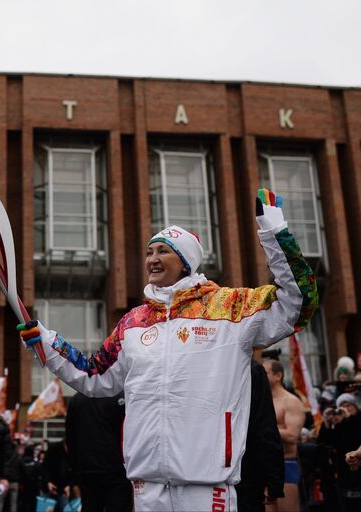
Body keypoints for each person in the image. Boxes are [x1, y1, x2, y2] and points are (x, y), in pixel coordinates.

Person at [19, 188, 318, 511]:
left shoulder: (230, 308)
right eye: (150, 251)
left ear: (186, 261)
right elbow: (94, 375)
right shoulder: (135, 321)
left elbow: (298, 301)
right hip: (146, 484)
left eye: (163, 251)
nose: (152, 259)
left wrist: (274, 232)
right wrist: (47, 343)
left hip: (208, 484)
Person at [66, 392, 132, 512]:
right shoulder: (121, 395)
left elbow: (71, 439)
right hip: (117, 470)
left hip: (88, 472)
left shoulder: (76, 400)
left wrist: (74, 474)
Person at [235, 359, 284, 512]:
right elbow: (264, 427)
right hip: (244, 474)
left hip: (204, 472)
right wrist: (273, 480)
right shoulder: (251, 369)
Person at [262, 358, 304, 511]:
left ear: (278, 376)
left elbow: (292, 435)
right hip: (264, 465)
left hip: (285, 463)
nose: (260, 376)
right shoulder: (262, 401)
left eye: (264, 373)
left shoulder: (290, 401)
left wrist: (264, 429)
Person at [317, 392, 361, 511]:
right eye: (342, 407)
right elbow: (325, 443)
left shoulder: (357, 421)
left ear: (356, 406)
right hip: (342, 473)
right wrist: (326, 423)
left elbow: (354, 439)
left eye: (348, 405)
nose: (345, 409)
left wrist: (349, 419)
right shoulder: (339, 425)